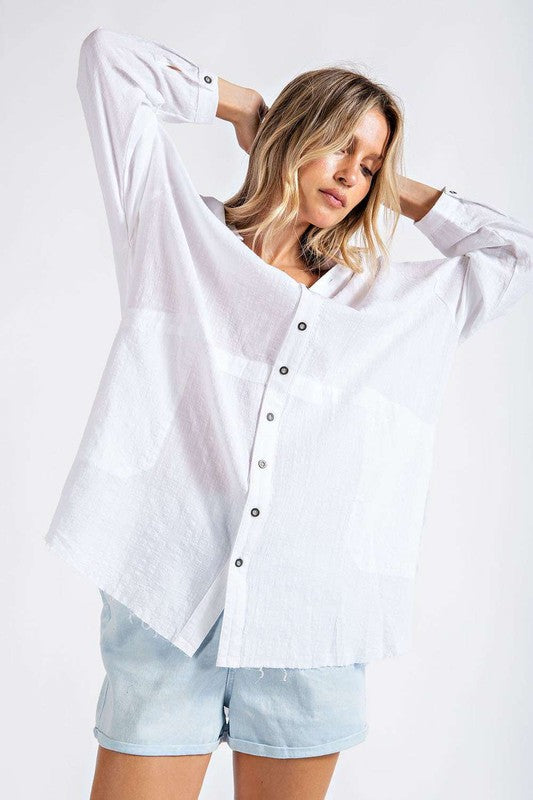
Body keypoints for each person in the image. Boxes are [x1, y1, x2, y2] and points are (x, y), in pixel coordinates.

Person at [44, 27, 533, 800]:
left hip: (307, 627)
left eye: (368, 164)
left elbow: (516, 254)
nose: (351, 175)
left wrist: (394, 186)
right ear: (294, 132)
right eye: (339, 145)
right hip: (167, 603)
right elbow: (108, 59)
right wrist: (244, 106)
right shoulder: (173, 232)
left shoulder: (386, 304)